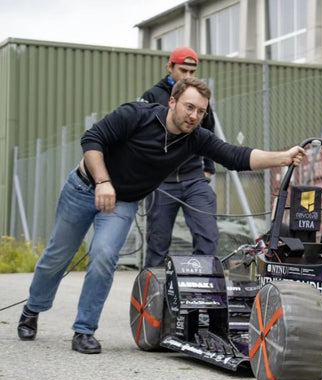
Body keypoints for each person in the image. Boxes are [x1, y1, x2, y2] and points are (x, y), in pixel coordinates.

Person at [17, 77, 306, 354]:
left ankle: (84, 330)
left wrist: (283, 157)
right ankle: (33, 307)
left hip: (123, 201)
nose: (194, 116)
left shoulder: (196, 139)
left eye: (201, 111)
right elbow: (92, 139)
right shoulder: (137, 114)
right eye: (189, 107)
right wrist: (103, 181)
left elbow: (236, 156)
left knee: (104, 256)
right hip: (83, 187)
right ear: (173, 102)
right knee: (57, 256)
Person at [138, 47, 219, 267]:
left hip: (194, 177)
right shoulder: (152, 96)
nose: (189, 76)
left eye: (193, 72)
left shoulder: (200, 98)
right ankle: (151, 297)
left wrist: (208, 168)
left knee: (207, 237)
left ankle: (202, 293)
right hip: (161, 183)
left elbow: (208, 133)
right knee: (157, 245)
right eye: (183, 70)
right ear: (170, 67)